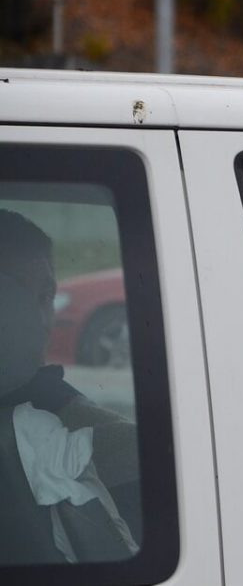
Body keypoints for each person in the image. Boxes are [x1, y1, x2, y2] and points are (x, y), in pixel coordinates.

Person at [0, 209, 138, 563]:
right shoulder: (60, 435)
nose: (44, 319)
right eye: (18, 299)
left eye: (48, 297)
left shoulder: (62, 422)